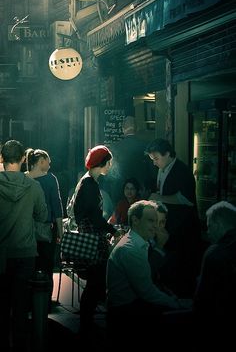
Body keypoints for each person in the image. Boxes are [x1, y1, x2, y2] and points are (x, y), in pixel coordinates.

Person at [106, 200, 191, 348]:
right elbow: (146, 291)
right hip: (124, 315)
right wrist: (176, 304)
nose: (155, 226)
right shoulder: (130, 248)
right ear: (135, 220)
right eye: (151, 220)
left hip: (128, 308)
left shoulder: (138, 243)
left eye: (159, 221)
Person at [0, 140, 48, 352]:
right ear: (22, 159)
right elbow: (42, 215)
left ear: (2, 159)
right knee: (20, 307)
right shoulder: (34, 186)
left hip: (1, 253)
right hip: (25, 253)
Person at [145, 138, 202, 297]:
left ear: (168, 153)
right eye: (152, 159)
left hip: (183, 228)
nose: (154, 163)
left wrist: (159, 198)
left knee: (181, 268)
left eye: (156, 158)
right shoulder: (161, 168)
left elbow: (186, 199)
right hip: (168, 226)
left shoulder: (182, 170)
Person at [73, 145, 117, 338]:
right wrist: (111, 228)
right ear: (103, 163)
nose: (111, 166)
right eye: (109, 162)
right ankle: (86, 325)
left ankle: (86, 323)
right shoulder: (90, 184)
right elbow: (94, 216)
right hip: (93, 239)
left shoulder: (87, 181)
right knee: (95, 283)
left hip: (89, 237)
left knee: (94, 282)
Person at [193, 201, 236, 349]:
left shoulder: (215, 253)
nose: (208, 232)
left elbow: (201, 302)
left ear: (218, 224)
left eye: (209, 226)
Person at [25, 148, 63, 311]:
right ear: (40, 161)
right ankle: (45, 303)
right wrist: (61, 231)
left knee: (28, 266)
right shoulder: (50, 179)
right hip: (46, 230)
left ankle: (28, 302)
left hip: (25, 230)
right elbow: (57, 206)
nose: (50, 163)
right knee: (46, 266)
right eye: (48, 160)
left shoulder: (24, 178)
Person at [104, 116, 155, 205]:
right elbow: (152, 171)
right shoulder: (145, 146)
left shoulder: (114, 147)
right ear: (137, 128)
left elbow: (110, 173)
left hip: (119, 192)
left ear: (123, 129)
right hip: (141, 192)